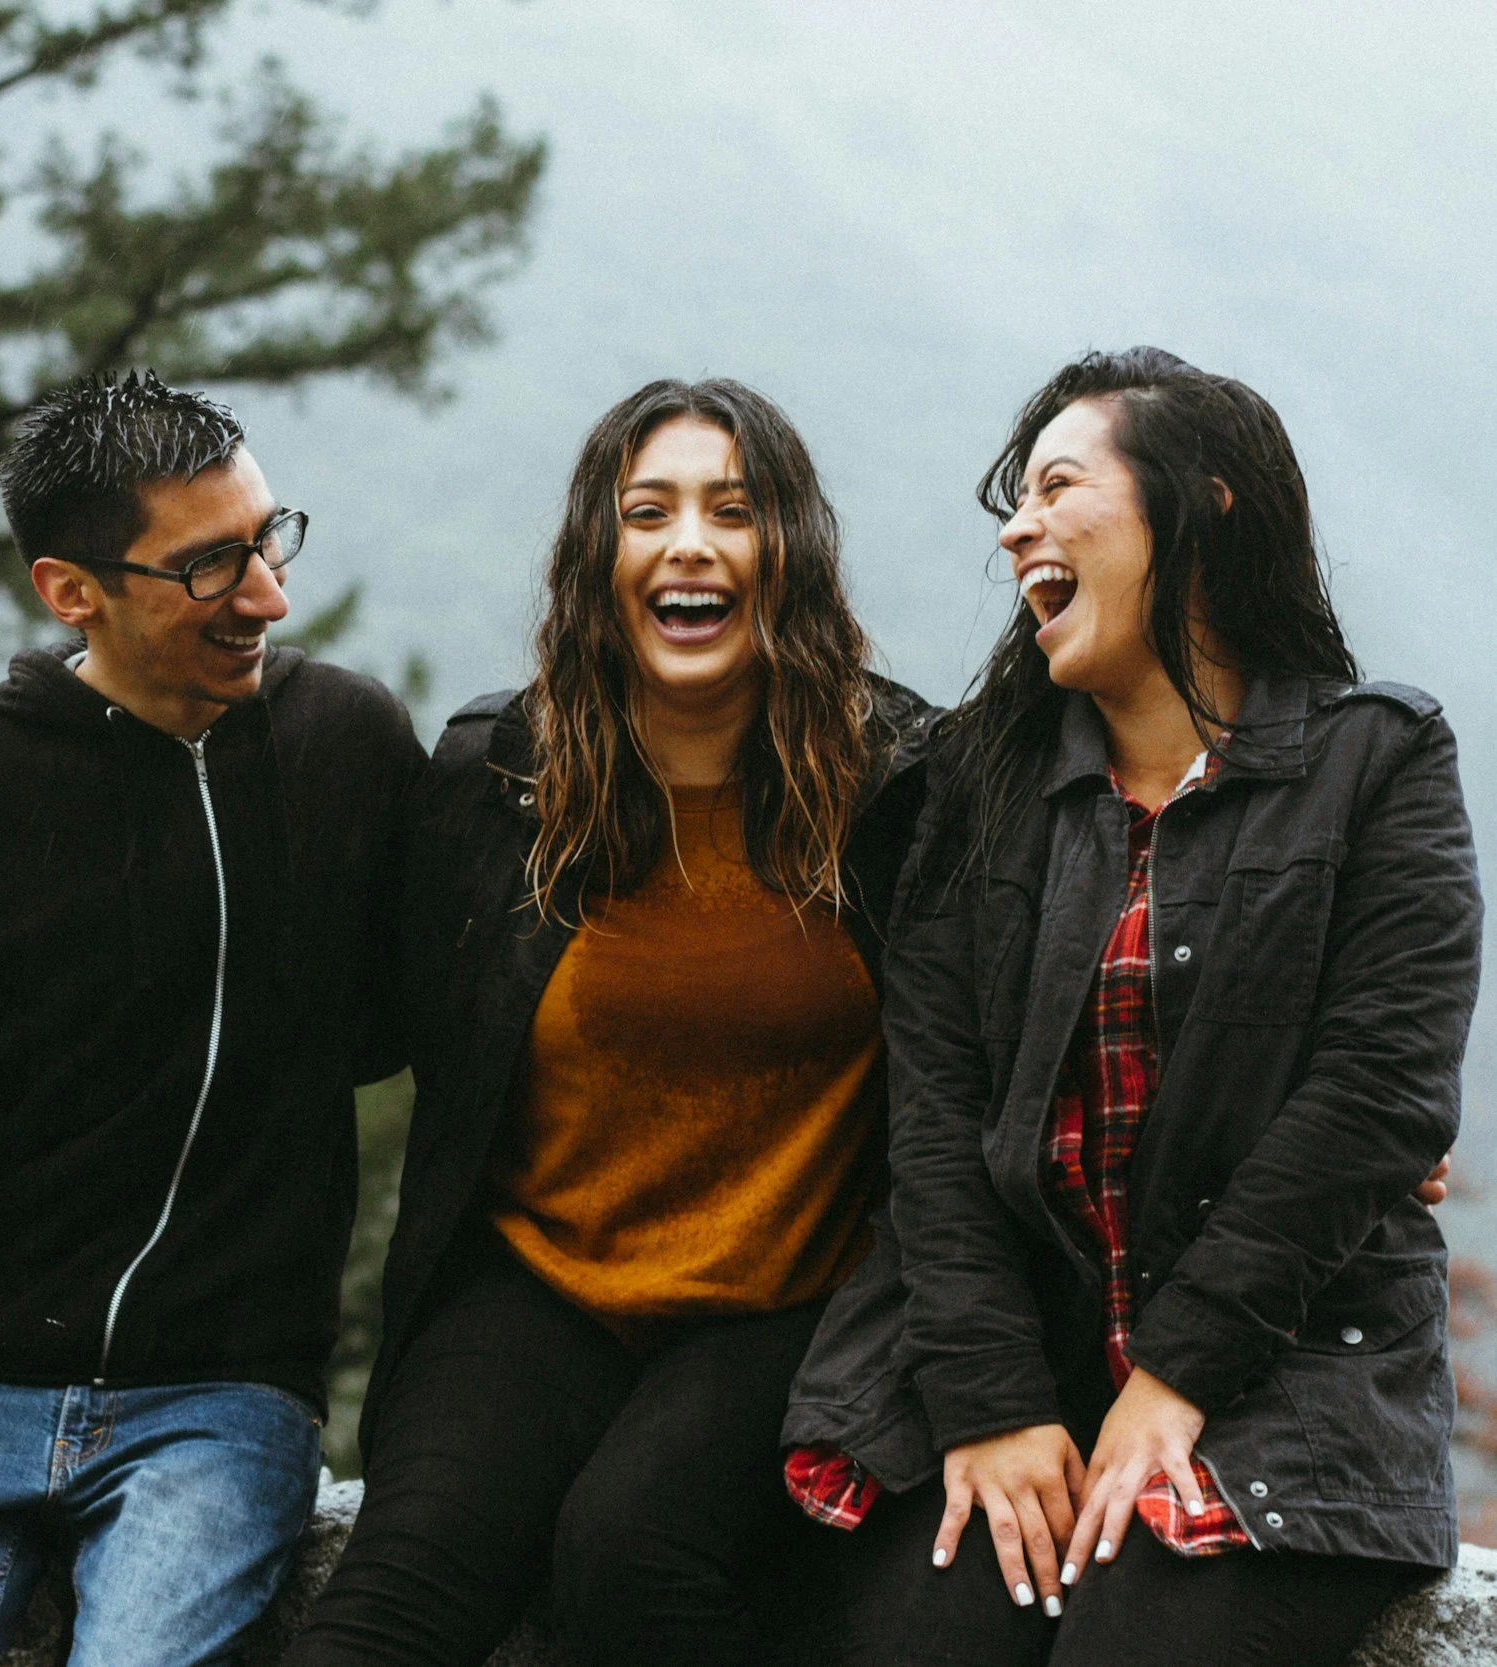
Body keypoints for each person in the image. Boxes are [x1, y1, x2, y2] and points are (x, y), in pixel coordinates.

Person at [798, 347, 1480, 1666]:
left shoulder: (1378, 763)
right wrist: (992, 1403)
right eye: (1015, 500)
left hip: (1290, 1383)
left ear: (1208, 508)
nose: (1016, 526)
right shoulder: (974, 790)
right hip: (1031, 1368)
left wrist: (1173, 1382)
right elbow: (932, 1120)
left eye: (1058, 485)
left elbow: (1379, 1096)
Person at [0, 369, 424, 1667]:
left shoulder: (345, 743)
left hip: (221, 1404)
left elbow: (422, 1015)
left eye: (270, 538)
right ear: (74, 590)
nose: (270, 596)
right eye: (213, 566)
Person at [281, 378, 935, 1666]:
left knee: (629, 1558)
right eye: (650, 513)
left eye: (732, 511)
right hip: (542, 1284)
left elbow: (1064, 980)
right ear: (602, 557)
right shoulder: (499, 785)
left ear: (786, 553)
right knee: (396, 1594)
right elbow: (341, 1027)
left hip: (790, 1302)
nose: (689, 542)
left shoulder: (900, 794)